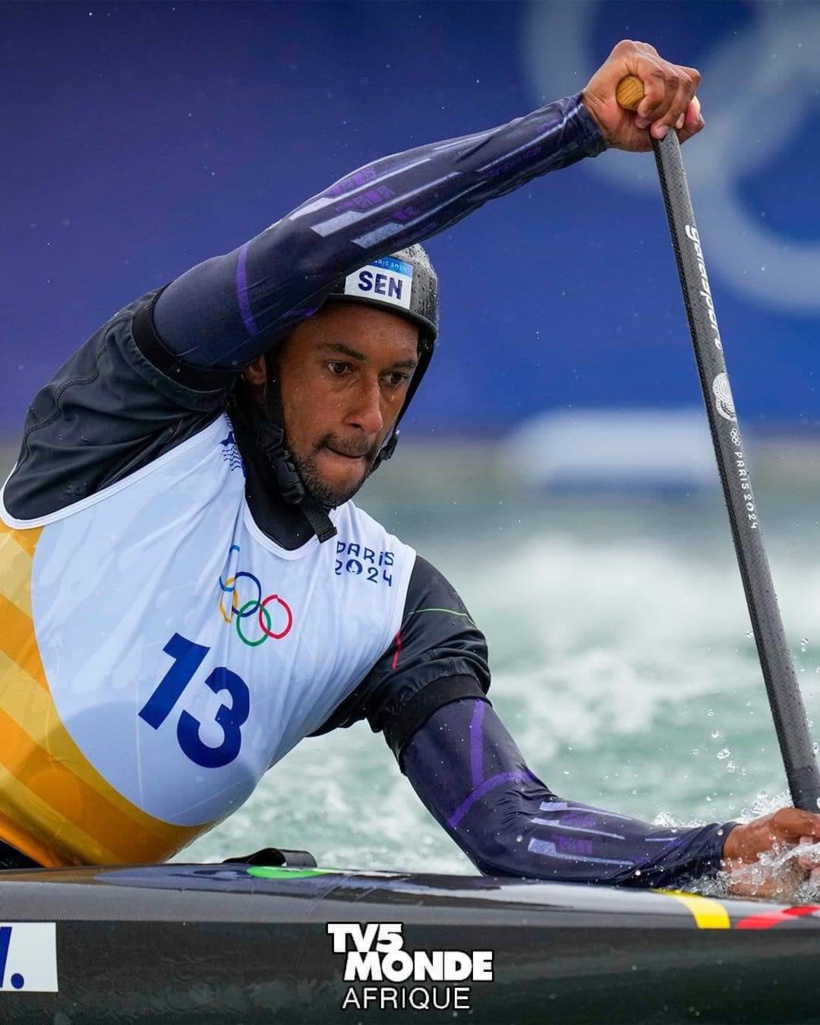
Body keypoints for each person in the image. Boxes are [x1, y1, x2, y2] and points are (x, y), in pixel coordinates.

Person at [1, 39, 818, 895]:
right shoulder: (126, 416)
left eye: (395, 379)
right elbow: (304, 252)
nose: (368, 414)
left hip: (75, 917)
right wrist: (571, 129)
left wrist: (725, 852)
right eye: (338, 367)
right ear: (258, 360)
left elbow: (511, 827)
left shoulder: (392, 604)